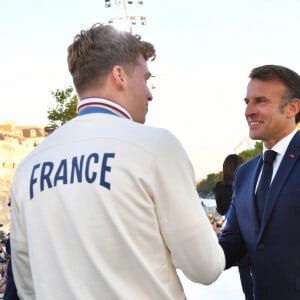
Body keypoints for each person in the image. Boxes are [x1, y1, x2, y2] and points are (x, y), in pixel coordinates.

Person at [9, 23, 225, 299]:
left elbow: (27, 285)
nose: (150, 92)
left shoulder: (28, 166)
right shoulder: (155, 146)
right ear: (119, 76)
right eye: (145, 78)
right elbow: (205, 267)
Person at [219, 64, 300, 300]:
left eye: (261, 101)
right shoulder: (244, 173)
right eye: (247, 102)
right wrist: (192, 254)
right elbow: (233, 240)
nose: (249, 111)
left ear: (292, 108)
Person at [215, 154, 254, 300]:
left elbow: (221, 209)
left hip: (234, 235)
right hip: (252, 233)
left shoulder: (219, 187)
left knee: (247, 286)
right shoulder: (249, 181)